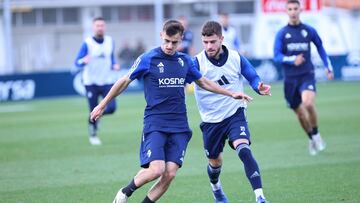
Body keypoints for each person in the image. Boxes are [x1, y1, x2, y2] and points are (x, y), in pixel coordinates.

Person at [90, 19, 252, 203]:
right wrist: (102, 104)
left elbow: (204, 82)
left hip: (180, 127)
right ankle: (125, 192)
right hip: (156, 124)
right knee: (156, 170)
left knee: (170, 174)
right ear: (161, 36)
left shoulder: (185, 61)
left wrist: (230, 93)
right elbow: (124, 81)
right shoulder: (148, 58)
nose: (169, 46)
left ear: (181, 39)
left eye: (174, 42)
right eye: (166, 40)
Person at [193, 21, 271, 203]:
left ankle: (260, 196)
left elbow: (251, 75)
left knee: (243, 149)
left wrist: (258, 86)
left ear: (221, 39)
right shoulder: (196, 62)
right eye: (205, 42)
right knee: (215, 162)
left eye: (212, 42)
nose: (209, 46)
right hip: (211, 119)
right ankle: (216, 188)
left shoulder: (236, 57)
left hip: (235, 112)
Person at [273, 0, 334, 155]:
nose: (293, 11)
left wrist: (328, 66)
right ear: (286, 11)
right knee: (300, 114)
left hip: (307, 74)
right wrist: (292, 59)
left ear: (300, 10)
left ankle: (317, 133)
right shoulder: (282, 33)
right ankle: (311, 138)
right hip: (290, 80)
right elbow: (276, 56)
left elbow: (320, 47)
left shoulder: (309, 30)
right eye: (290, 9)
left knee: (308, 103)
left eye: (295, 8)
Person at [74, 17, 120, 146]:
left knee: (112, 107)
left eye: (102, 25)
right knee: (92, 110)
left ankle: (99, 115)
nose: (100, 28)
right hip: (91, 83)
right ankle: (93, 135)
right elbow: (76, 62)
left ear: (104, 27)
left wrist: (114, 64)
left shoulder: (110, 41)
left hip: (107, 81)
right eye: (97, 25)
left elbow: (111, 58)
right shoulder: (87, 43)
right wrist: (83, 61)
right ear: (93, 28)